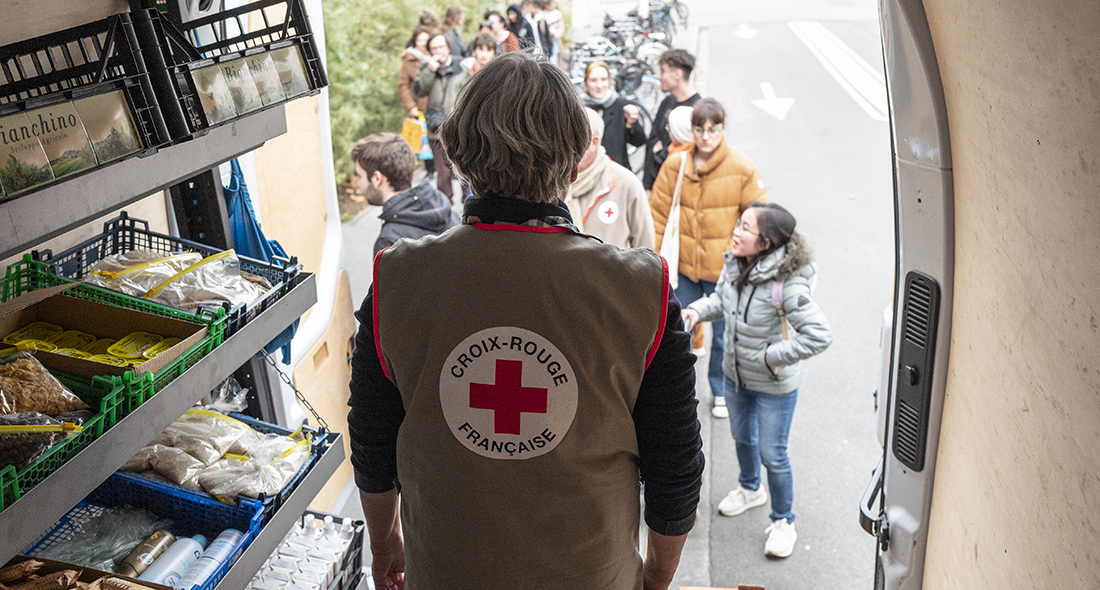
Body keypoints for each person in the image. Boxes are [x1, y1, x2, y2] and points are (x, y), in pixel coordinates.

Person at [349, 51, 704, 590]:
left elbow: (373, 439)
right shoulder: (641, 290)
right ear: (574, 161)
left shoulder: (396, 279)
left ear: (460, 159)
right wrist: (656, 575)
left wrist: (385, 544)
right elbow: (674, 463)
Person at [681, 202, 832, 558]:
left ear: (766, 242)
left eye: (745, 228)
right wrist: (697, 311)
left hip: (773, 386)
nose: (735, 232)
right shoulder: (736, 263)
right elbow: (722, 301)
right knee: (742, 438)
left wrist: (771, 356)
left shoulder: (787, 284)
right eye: (739, 224)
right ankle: (750, 489)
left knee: (773, 454)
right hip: (736, 377)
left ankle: (783, 522)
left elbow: (820, 335)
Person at [651, 98, 768, 419]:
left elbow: (758, 219)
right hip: (684, 268)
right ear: (692, 130)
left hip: (726, 270)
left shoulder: (742, 167)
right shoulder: (675, 165)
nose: (705, 136)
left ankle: (720, 392)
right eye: (699, 129)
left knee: (723, 338)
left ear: (723, 128)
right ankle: (679, 392)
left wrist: (749, 262)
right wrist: (657, 261)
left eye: (712, 129)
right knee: (678, 331)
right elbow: (658, 216)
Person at [350, 133, 458, 256]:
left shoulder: (389, 243)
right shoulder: (449, 213)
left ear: (377, 178)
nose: (359, 183)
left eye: (360, 176)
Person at [567, 108, 654, 249]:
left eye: (572, 139)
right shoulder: (552, 182)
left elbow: (646, 247)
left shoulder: (626, 183)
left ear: (593, 143)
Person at [414, 33, 470, 203]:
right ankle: (445, 204)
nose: (438, 51)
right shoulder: (427, 69)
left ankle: (468, 202)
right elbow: (419, 90)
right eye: (434, 48)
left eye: (441, 47)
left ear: (448, 48)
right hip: (436, 128)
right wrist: (430, 70)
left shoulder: (461, 66)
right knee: (443, 172)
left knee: (464, 168)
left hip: (459, 128)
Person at [643, 49, 701, 197]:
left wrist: (660, 152)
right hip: (657, 187)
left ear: (677, 74)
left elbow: (690, 153)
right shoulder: (667, 102)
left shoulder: (697, 109)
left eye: (663, 71)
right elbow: (652, 141)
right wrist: (647, 185)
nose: (658, 76)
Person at [583, 61, 646, 170]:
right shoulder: (580, 109)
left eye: (603, 79)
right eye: (593, 80)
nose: (599, 85)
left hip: (616, 171)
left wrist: (632, 123)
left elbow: (639, 141)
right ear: (585, 82)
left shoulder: (622, 106)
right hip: (589, 172)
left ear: (609, 80)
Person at [398, 25, 434, 177]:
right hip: (419, 106)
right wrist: (411, 106)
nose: (423, 43)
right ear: (414, 41)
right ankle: (430, 169)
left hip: (436, 103)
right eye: (420, 40)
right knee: (424, 138)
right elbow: (403, 85)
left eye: (426, 40)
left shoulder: (436, 56)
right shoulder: (409, 60)